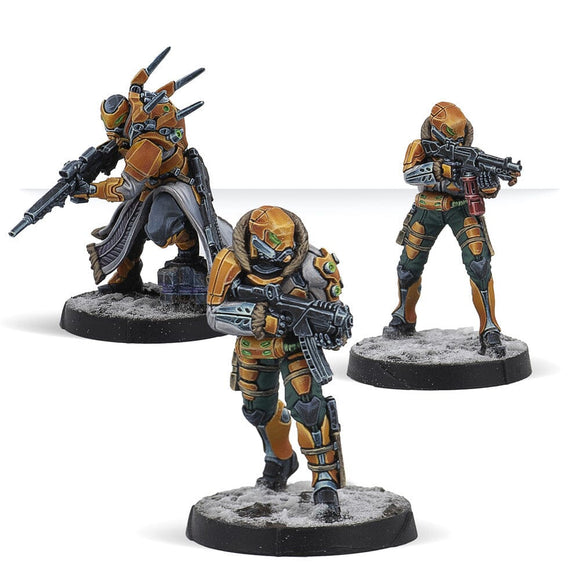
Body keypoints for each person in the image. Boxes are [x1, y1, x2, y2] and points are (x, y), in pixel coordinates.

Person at [206, 206, 352, 520]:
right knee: (257, 411)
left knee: (309, 409)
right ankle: (280, 459)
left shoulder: (312, 265)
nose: (285, 252)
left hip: (297, 347)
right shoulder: (230, 262)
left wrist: (332, 331)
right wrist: (259, 319)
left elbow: (333, 312)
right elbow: (214, 314)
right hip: (253, 347)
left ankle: (324, 482)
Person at [75, 47, 230, 296]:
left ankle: (188, 254)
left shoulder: (148, 140)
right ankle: (126, 275)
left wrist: (91, 190)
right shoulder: (132, 123)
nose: (113, 133)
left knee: (159, 228)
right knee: (128, 229)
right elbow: (118, 147)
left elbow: (126, 188)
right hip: (149, 183)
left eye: (117, 126)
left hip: (175, 184)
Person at [384, 102, 520, 357]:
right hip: (427, 208)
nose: (456, 144)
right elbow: (409, 175)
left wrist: (488, 184)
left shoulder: (474, 155)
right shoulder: (420, 147)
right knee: (408, 265)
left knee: (479, 264)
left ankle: (489, 327)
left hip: (461, 209)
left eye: (460, 138)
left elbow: (488, 189)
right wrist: (440, 170)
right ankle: (404, 315)